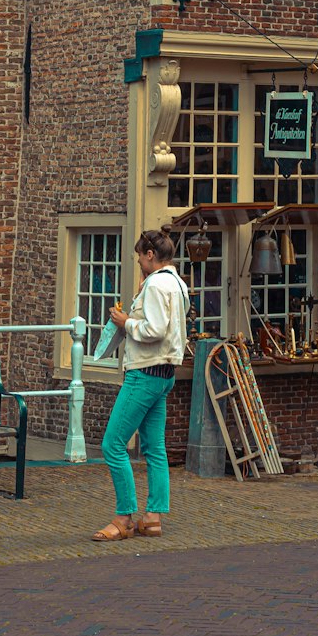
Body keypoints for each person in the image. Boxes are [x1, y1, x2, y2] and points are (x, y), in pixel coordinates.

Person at [93, 230, 190, 541]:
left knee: (113, 444)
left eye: (139, 256)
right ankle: (153, 517)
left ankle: (124, 517)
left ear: (150, 255)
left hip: (145, 373)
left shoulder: (156, 285)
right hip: (165, 374)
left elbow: (155, 330)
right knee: (155, 449)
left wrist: (126, 322)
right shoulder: (177, 283)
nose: (137, 260)